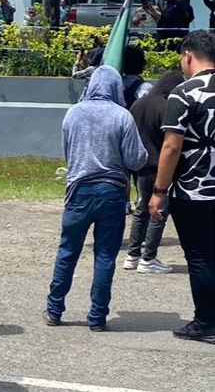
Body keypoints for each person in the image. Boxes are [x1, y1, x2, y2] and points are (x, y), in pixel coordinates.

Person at [149, 30, 215, 345]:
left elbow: (171, 146)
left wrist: (159, 191)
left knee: (199, 258)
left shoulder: (183, 93)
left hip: (192, 189)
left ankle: (206, 322)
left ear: (188, 56)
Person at [45, 65, 147, 332]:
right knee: (105, 256)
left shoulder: (73, 113)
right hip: (112, 192)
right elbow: (136, 159)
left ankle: (54, 309)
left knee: (68, 251)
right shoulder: (122, 116)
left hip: (79, 190)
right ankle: (97, 317)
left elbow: (68, 153)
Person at [124, 69, 186, 275]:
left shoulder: (138, 104)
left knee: (142, 208)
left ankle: (132, 254)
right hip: (159, 165)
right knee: (159, 211)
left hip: (140, 164)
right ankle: (149, 257)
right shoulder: (166, 107)